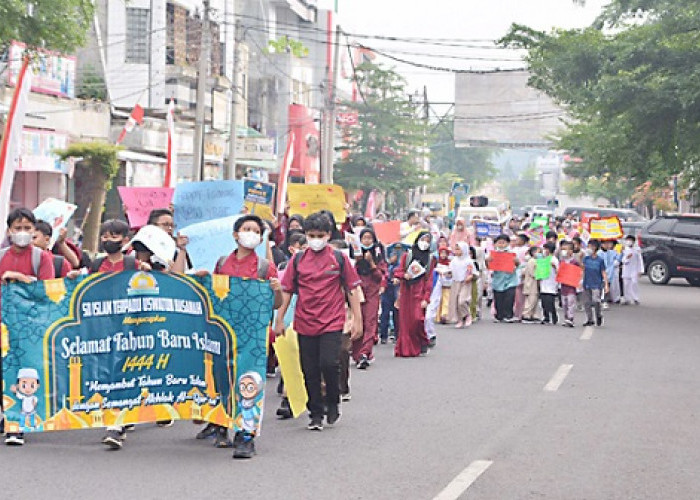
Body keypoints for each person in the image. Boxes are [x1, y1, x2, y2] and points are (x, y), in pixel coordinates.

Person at [196, 215, 281, 458]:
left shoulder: (265, 267)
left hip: (253, 336)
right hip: (224, 332)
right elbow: (213, 295)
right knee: (222, 378)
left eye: (256, 230)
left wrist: (276, 291)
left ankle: (246, 435)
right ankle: (221, 423)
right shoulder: (222, 263)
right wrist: (202, 281)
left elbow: (275, 304)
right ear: (235, 234)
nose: (251, 234)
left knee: (249, 381)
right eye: (246, 229)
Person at [274, 212, 362, 431]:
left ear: (328, 235)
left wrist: (357, 319)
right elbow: (286, 291)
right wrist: (279, 320)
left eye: (320, 235)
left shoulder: (339, 259)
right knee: (309, 369)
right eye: (311, 235)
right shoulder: (298, 260)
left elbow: (351, 290)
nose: (316, 239)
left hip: (332, 321)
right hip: (305, 321)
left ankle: (333, 400)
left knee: (329, 363)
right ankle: (315, 412)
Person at [1, 208, 55, 446]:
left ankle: (17, 426)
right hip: (4, 324)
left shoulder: (41, 258)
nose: (22, 233)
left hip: (29, 327)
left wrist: (20, 279)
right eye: (17, 228)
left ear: (34, 231)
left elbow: (49, 290)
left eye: (27, 228)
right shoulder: (1, 256)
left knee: (22, 374)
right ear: (9, 230)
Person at [329, 239, 362, 402]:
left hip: (344, 320)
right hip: (322, 320)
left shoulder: (348, 274)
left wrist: (357, 320)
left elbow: (356, 298)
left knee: (342, 353)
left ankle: (343, 386)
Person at [350, 228, 387, 369]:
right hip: (358, 291)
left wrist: (371, 264)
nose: (366, 241)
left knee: (370, 322)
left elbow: (380, 277)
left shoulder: (378, 256)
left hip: (372, 291)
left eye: (369, 238)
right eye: (364, 238)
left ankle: (365, 352)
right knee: (358, 320)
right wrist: (357, 261)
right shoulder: (354, 255)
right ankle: (357, 352)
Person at [394, 232, 435, 356]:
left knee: (418, 319)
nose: (425, 242)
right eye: (423, 239)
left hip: (420, 292)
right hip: (406, 291)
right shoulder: (407, 255)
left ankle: (422, 341)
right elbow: (398, 271)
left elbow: (429, 279)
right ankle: (406, 349)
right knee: (405, 322)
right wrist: (403, 275)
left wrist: (426, 298)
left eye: (428, 240)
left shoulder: (430, 259)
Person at [487, 234, 520, 323]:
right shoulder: (493, 254)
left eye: (503, 243)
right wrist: (488, 260)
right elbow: (488, 266)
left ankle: (508, 315)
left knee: (509, 297)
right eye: (499, 243)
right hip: (498, 279)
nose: (501, 245)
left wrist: (516, 261)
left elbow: (517, 264)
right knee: (498, 298)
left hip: (510, 279)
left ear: (508, 243)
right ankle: (499, 315)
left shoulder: (511, 253)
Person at [379, 243, 403, 344]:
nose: (391, 258)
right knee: (384, 314)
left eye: (393, 255)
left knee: (396, 314)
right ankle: (383, 335)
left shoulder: (399, 266)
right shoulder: (386, 266)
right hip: (387, 291)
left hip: (396, 290)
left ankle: (397, 334)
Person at [582, 239, 609, 327]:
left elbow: (603, 272)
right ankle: (590, 319)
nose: (589, 248)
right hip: (587, 283)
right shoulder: (586, 259)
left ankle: (598, 315)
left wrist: (606, 285)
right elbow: (582, 269)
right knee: (587, 302)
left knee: (596, 301)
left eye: (591, 247)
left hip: (597, 284)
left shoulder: (600, 260)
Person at [448, 241, 474, 328]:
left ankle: (467, 314)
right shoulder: (454, 261)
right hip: (455, 282)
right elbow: (450, 272)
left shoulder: (468, 261)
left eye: (459, 249)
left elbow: (471, 272)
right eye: (456, 249)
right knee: (455, 301)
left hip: (465, 282)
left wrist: (469, 277)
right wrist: (447, 273)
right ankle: (460, 319)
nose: (457, 251)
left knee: (462, 301)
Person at [558, 241, 579, 328]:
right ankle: (566, 318)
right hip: (563, 285)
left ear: (571, 251)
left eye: (566, 249)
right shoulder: (562, 261)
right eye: (562, 249)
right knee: (564, 303)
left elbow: (578, 271)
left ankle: (570, 318)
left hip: (571, 285)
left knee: (571, 302)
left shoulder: (574, 261)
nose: (564, 251)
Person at [539, 242, 560, 325]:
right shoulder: (543, 259)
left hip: (551, 282)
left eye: (546, 249)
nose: (544, 251)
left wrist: (554, 266)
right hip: (543, 282)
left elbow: (558, 271)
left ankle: (553, 315)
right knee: (543, 302)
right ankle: (546, 317)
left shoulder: (554, 259)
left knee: (549, 301)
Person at [620, 235, 643, 305]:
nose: (629, 242)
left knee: (634, 283)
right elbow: (622, 260)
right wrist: (627, 258)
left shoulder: (637, 250)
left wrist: (640, 270)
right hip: (626, 269)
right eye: (627, 240)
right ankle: (627, 299)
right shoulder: (624, 250)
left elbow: (640, 260)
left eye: (630, 240)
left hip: (634, 269)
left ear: (633, 242)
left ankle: (636, 298)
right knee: (626, 284)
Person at [521, 246, 541, 323]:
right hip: (531, 283)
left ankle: (532, 314)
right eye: (538, 252)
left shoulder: (536, 261)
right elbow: (532, 272)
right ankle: (526, 314)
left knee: (535, 299)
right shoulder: (532, 261)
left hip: (534, 283)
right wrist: (539, 275)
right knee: (531, 299)